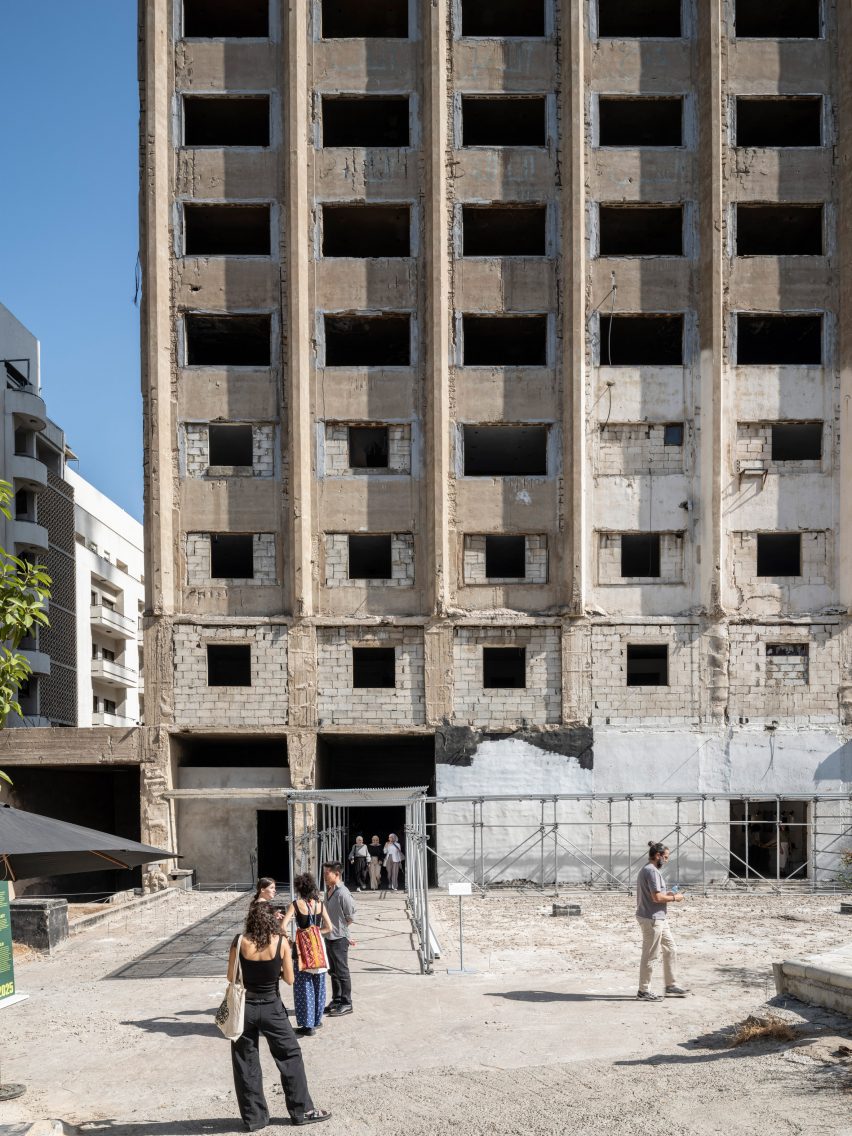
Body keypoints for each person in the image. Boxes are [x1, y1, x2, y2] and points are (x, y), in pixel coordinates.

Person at [226, 902, 331, 1130]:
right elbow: (290, 979)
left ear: (250, 920)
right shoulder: (281, 942)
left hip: (246, 1006)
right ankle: (301, 1111)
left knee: (245, 1061)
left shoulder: (238, 942)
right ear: (272, 921)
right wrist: (276, 970)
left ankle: (255, 1118)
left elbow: (231, 977)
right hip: (272, 1006)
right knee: (290, 1055)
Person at [635, 840, 689, 1001]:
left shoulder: (650, 870)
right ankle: (643, 990)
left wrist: (671, 895)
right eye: (665, 857)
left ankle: (670, 985)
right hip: (652, 919)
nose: (666, 861)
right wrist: (675, 898)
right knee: (650, 955)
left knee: (671, 948)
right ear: (657, 855)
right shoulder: (651, 871)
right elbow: (657, 897)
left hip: (658, 918)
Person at [281, 872, 333, 1037]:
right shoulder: (320, 904)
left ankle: (307, 1025)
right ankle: (317, 1021)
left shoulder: (295, 905)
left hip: (301, 951)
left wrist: (290, 941)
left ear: (299, 888)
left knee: (303, 986)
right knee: (319, 985)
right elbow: (329, 927)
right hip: (319, 950)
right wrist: (316, 933)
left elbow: (282, 927)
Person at [323, 861, 355, 1017]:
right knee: (333, 971)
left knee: (342, 971)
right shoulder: (328, 891)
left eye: (326, 873)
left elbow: (350, 917)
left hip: (339, 938)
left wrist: (340, 929)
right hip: (328, 937)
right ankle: (336, 999)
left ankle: (347, 1003)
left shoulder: (343, 893)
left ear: (336, 874)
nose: (324, 876)